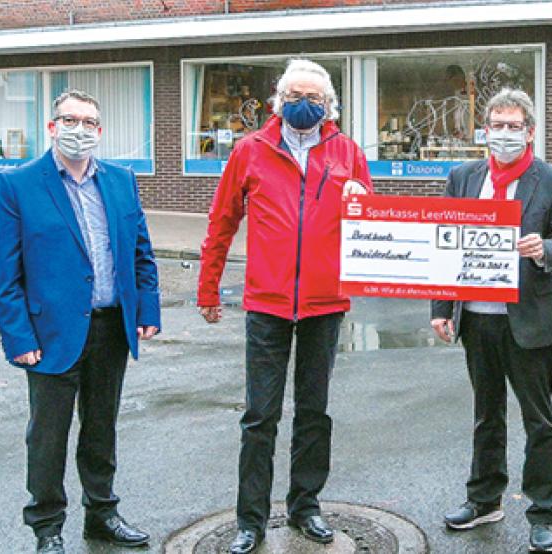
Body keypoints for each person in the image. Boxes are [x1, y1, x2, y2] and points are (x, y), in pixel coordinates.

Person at [197, 59, 372, 554]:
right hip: (268, 304)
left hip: (323, 305)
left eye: (315, 99)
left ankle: (306, 505)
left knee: (314, 413)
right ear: (278, 99)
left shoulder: (347, 153)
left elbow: (371, 224)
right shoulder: (250, 152)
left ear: (329, 105)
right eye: (296, 95)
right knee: (260, 416)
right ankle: (250, 520)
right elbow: (222, 221)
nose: (304, 105)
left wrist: (363, 200)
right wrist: (209, 289)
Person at [0, 89, 161, 554]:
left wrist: (147, 310)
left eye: (88, 122)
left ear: (100, 132)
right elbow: (5, 274)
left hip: (111, 329)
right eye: (69, 119)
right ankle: (47, 527)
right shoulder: (18, 184)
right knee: (47, 437)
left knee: (101, 428)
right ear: (52, 126)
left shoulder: (122, 181)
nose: (78, 130)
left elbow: (141, 253)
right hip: (50, 335)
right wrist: (18, 337)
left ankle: (102, 513)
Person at [430, 88, 552, 553]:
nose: (505, 134)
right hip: (477, 319)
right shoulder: (463, 177)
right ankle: (484, 499)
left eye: (515, 127)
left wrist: (544, 251)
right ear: (485, 130)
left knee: (539, 419)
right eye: (498, 126)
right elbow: (444, 245)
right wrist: (441, 310)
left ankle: (543, 511)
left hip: (527, 318)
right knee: (485, 414)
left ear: (530, 131)